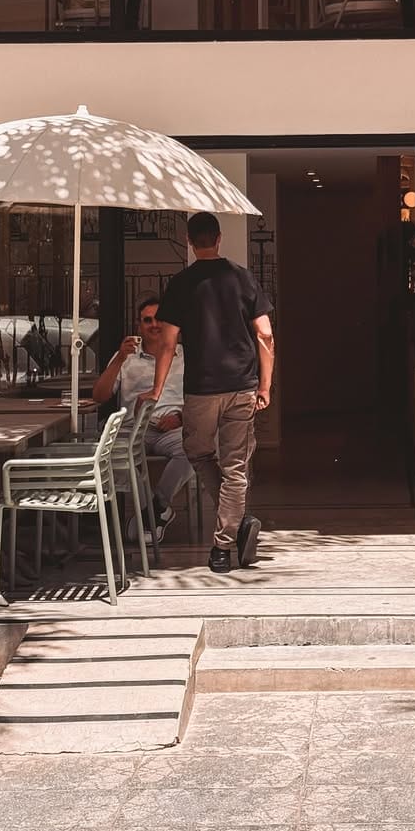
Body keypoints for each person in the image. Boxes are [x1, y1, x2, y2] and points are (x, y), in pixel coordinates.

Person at [141, 211, 273, 575]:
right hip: (242, 385)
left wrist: (157, 388)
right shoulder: (243, 278)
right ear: (218, 239)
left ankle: (226, 538)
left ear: (189, 241)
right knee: (236, 468)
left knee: (198, 453)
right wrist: (265, 384)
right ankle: (231, 534)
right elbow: (265, 334)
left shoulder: (181, 284)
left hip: (201, 389)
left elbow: (167, 343)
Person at [92, 294, 192, 544]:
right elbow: (99, 396)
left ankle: (154, 509)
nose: (154, 325)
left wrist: (181, 417)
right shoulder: (126, 356)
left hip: (172, 427)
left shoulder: (186, 356)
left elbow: (201, 398)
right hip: (132, 428)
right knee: (111, 453)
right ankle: (154, 512)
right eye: (147, 320)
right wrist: (119, 358)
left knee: (194, 448)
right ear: (139, 326)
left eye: (159, 319)